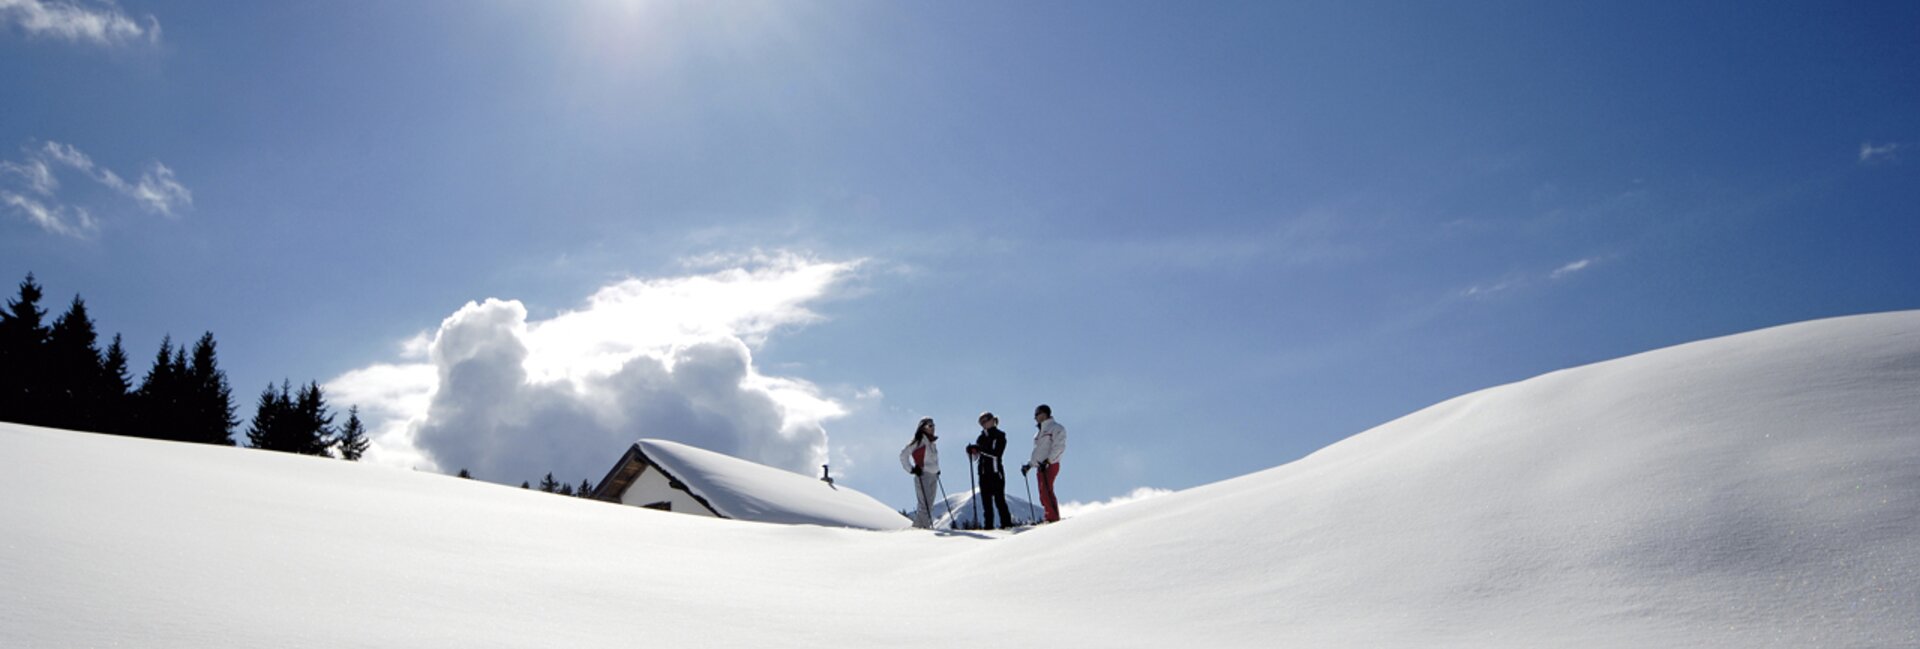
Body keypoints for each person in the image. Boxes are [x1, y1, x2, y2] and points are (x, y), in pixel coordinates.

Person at [967, 412, 1013, 530]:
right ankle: (989, 527)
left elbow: (997, 453)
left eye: (985, 420)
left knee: (999, 500)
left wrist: (979, 449)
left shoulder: (999, 435)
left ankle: (1007, 525)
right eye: (981, 422)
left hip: (996, 472)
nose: (983, 424)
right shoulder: (981, 437)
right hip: (983, 473)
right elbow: (977, 456)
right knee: (986, 504)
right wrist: (971, 451)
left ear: (993, 420)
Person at [1022, 404, 1067, 523]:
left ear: (1044, 414)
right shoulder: (1038, 434)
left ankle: (1053, 517)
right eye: (1035, 415)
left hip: (1050, 464)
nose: (1036, 417)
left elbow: (1059, 446)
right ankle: (1049, 516)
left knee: (1047, 490)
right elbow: (1037, 452)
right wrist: (1029, 465)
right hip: (1041, 466)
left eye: (1037, 414)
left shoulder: (1056, 428)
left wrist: (1049, 461)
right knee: (1043, 493)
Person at [899, 417, 941, 529]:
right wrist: (912, 469)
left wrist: (937, 470)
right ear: (922, 428)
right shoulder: (918, 441)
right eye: (929, 426)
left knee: (929, 505)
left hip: (933, 475)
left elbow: (932, 459)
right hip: (923, 475)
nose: (933, 428)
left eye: (933, 425)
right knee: (924, 505)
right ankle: (925, 530)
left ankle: (916, 530)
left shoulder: (932, 442)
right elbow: (903, 455)